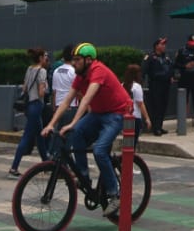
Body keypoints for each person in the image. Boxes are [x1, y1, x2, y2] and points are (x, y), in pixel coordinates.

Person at [42, 43, 133, 218]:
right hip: (99, 113)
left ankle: (115, 194)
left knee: (99, 150)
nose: (73, 63)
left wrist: (72, 123)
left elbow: (85, 101)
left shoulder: (98, 71)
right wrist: (51, 124)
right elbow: (67, 101)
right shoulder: (80, 75)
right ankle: (84, 176)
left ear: (88, 60)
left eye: (77, 60)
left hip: (117, 113)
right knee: (77, 134)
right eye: (73, 59)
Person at [8, 47, 50, 177]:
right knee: (27, 136)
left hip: (29, 105)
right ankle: (14, 168)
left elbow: (24, 87)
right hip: (37, 104)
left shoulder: (29, 69)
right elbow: (41, 91)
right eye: (44, 56)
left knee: (40, 135)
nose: (46, 59)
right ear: (40, 58)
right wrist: (46, 90)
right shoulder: (42, 71)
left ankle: (46, 164)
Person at [141, 37, 173, 136]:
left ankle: (160, 126)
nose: (164, 46)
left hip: (166, 84)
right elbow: (144, 70)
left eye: (164, 44)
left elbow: (171, 68)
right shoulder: (150, 57)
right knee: (156, 106)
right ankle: (156, 128)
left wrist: (172, 76)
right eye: (162, 44)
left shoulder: (166, 57)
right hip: (155, 85)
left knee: (163, 106)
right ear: (156, 46)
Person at [175, 33, 194, 131]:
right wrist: (185, 66)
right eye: (191, 43)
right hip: (184, 78)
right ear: (188, 42)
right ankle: (181, 124)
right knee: (183, 101)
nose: (193, 45)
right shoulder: (182, 51)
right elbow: (175, 64)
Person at [50, 44, 78, 128]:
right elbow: (78, 92)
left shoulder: (56, 71)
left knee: (58, 134)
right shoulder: (74, 71)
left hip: (58, 107)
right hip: (71, 107)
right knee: (69, 134)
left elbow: (54, 92)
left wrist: (54, 108)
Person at [121, 63, 153, 134]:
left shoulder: (122, 85)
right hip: (135, 116)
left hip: (124, 116)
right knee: (133, 141)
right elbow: (140, 104)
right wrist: (147, 118)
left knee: (127, 141)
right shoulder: (137, 87)